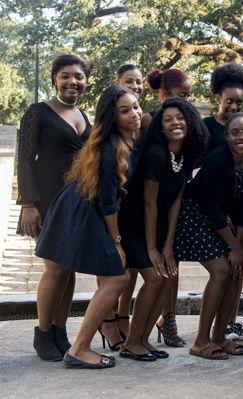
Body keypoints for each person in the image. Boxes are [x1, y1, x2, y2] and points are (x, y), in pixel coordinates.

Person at [35, 85, 142, 368]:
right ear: (112, 117)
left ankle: (72, 343)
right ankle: (78, 348)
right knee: (117, 277)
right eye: (125, 110)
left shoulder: (124, 141)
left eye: (135, 106)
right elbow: (109, 202)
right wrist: (116, 241)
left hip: (82, 207)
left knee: (112, 278)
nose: (135, 114)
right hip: (84, 211)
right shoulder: (113, 148)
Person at [118, 98, 207, 361]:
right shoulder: (157, 154)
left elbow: (175, 202)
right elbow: (149, 203)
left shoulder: (187, 154)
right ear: (161, 125)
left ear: (189, 121)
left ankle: (143, 339)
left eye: (179, 117)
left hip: (160, 226)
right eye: (167, 119)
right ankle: (131, 342)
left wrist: (168, 246)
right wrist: (153, 249)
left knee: (168, 277)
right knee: (156, 277)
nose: (174, 123)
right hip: (134, 225)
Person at [17, 54, 91, 361]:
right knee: (56, 267)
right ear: (54, 79)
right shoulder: (38, 112)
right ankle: (43, 333)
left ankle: (60, 331)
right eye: (65, 76)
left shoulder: (85, 115)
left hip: (77, 199)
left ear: (86, 81)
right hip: (47, 199)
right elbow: (24, 159)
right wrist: (28, 204)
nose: (72, 81)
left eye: (78, 76)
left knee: (69, 268)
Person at [176, 113, 243, 360]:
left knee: (237, 272)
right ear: (226, 137)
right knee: (222, 271)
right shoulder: (216, 160)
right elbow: (209, 207)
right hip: (195, 214)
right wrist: (234, 248)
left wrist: (240, 247)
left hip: (224, 221)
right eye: (235, 132)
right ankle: (201, 341)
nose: (241, 137)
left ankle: (219, 337)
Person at [98, 63, 146, 351]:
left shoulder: (138, 126)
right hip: (106, 214)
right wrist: (115, 238)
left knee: (126, 272)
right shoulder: (110, 142)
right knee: (111, 272)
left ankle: (121, 316)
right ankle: (106, 321)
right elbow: (107, 197)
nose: (136, 85)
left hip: (129, 212)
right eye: (130, 81)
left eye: (139, 82)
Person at [143, 67, 193, 346]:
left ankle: (169, 319)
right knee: (141, 270)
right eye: (181, 95)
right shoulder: (149, 120)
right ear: (163, 93)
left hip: (171, 206)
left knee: (172, 265)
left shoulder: (186, 128)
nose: (185, 100)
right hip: (144, 205)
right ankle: (123, 323)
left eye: (188, 96)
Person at [203, 62, 243, 152]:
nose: (234, 107)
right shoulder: (206, 125)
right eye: (229, 101)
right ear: (219, 99)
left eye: (239, 102)